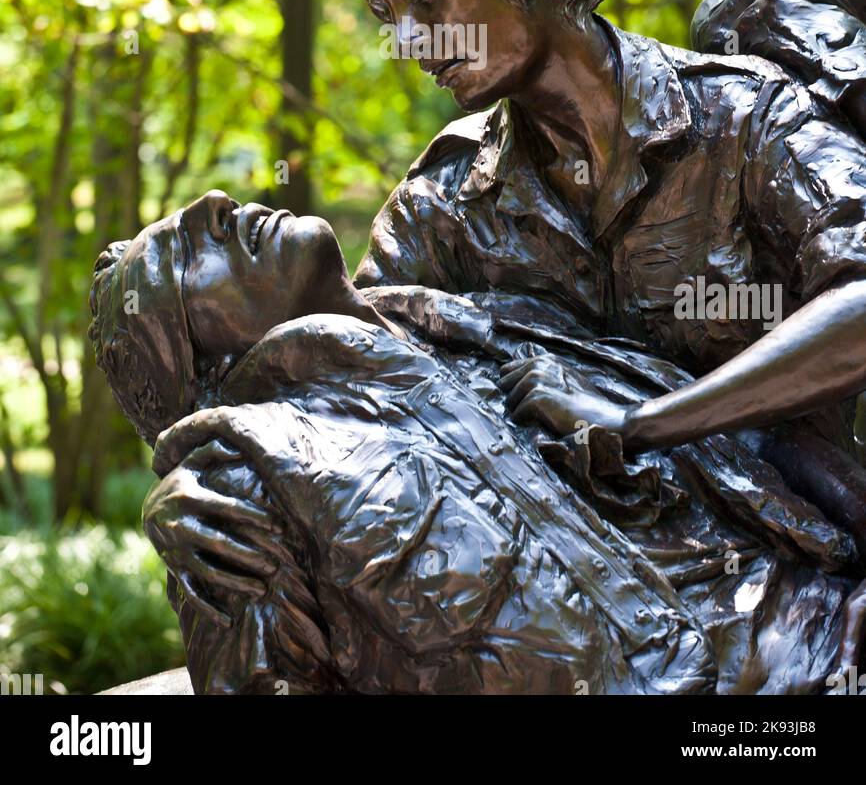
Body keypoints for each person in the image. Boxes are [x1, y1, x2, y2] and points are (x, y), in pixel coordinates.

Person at [94, 192, 865, 694]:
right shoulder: (243, 481)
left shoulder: (488, 316)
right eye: (186, 251)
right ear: (208, 372)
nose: (214, 203)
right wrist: (199, 461)